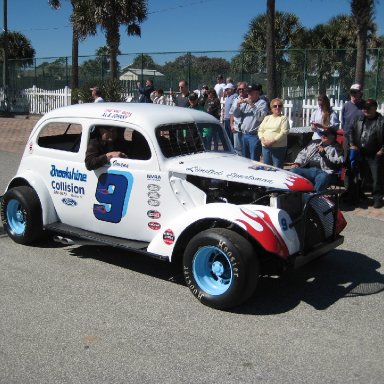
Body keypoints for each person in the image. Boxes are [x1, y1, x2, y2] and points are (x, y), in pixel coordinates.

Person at [347, 99, 384, 208]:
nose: (365, 110)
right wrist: (352, 144)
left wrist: (382, 150)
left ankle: (377, 199)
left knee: (377, 178)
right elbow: (351, 132)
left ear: (375, 108)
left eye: (368, 108)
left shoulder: (381, 121)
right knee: (359, 177)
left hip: (375, 155)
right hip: (360, 153)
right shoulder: (358, 119)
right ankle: (358, 196)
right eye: (364, 108)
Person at [290, 128, 343, 192]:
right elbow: (302, 154)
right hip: (309, 170)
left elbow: (337, 164)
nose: (323, 137)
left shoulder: (337, 148)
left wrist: (324, 154)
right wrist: (297, 163)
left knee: (323, 177)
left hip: (324, 172)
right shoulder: (315, 143)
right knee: (293, 171)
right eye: (323, 135)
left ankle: (313, 197)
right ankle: (294, 195)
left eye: (325, 136)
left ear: (333, 137)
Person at [233, 83, 268, 161]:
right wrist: (238, 106)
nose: (248, 94)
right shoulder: (246, 103)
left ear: (257, 93)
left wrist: (251, 104)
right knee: (245, 160)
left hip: (254, 136)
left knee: (253, 160)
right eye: (248, 92)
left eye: (250, 92)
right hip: (244, 134)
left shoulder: (262, 103)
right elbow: (236, 115)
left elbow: (260, 117)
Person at [258, 98, 289, 168]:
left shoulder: (283, 118)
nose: (277, 108)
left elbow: (284, 132)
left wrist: (273, 141)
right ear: (271, 108)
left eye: (279, 106)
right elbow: (260, 130)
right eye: (275, 106)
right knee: (266, 167)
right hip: (265, 147)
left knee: (277, 168)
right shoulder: (267, 118)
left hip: (278, 148)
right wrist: (263, 140)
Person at [341, 83, 365, 159]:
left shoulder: (365, 105)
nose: (353, 94)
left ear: (360, 93)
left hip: (360, 138)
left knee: (359, 159)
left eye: (355, 92)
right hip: (347, 137)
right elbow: (343, 121)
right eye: (352, 92)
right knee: (345, 158)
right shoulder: (346, 106)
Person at [229, 82, 247, 155]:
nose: (241, 90)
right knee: (237, 149)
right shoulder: (235, 99)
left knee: (245, 150)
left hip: (245, 130)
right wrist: (231, 125)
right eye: (239, 89)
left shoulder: (249, 99)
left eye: (243, 89)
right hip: (236, 128)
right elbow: (231, 113)